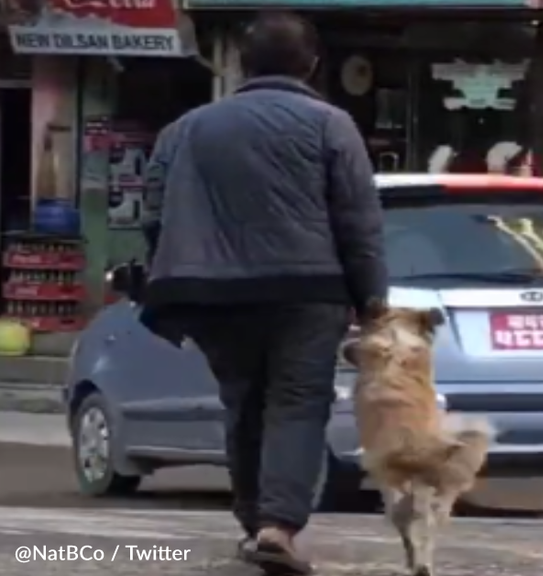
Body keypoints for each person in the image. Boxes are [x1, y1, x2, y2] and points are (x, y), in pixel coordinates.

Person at [139, 11, 387, 575]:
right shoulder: (330, 124)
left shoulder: (185, 129)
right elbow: (359, 222)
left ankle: (254, 522)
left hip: (210, 294)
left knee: (242, 402)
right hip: (307, 292)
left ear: (242, 64)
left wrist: (168, 273)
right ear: (313, 64)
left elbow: (152, 214)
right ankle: (277, 526)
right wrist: (373, 299)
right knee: (297, 404)